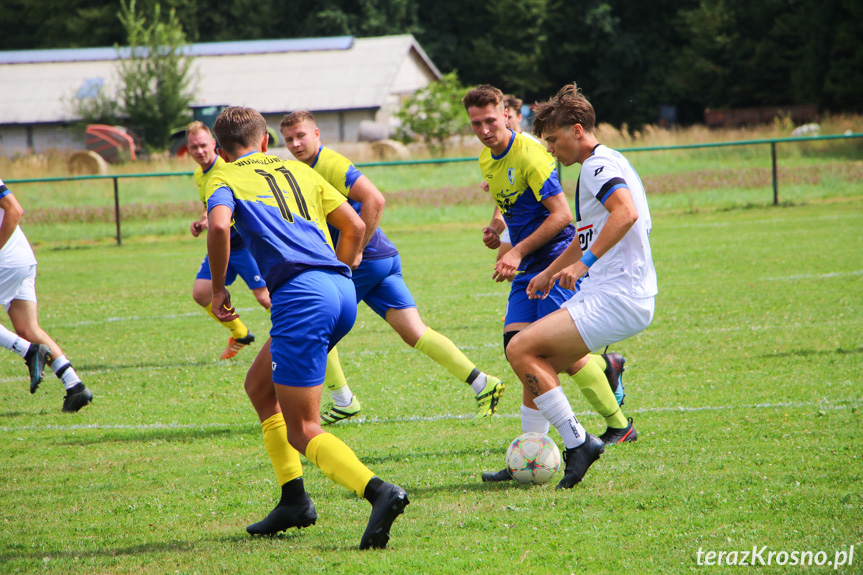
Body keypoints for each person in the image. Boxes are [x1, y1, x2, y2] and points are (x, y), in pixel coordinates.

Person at [205, 106, 408, 549]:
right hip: (340, 290)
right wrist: (343, 266)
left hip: (301, 297)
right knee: (260, 387)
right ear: (264, 141)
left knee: (303, 428)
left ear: (220, 150)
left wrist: (219, 288)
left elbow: (220, 226)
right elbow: (356, 224)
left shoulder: (223, 176)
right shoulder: (299, 169)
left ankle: (378, 491)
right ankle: (293, 500)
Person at [280, 110, 504, 423]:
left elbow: (375, 199)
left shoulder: (330, 163)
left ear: (317, 134)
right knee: (416, 333)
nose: (295, 143)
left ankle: (342, 399)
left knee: (316, 325)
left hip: (367, 261)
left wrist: (356, 250)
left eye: (301, 136)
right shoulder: (302, 169)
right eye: (288, 139)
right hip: (383, 258)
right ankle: (483, 383)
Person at [462, 84, 635, 486]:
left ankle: (611, 425)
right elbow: (510, 203)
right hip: (527, 265)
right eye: (476, 124)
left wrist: (517, 251)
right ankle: (531, 449)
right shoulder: (488, 158)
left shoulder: (533, 154)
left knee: (536, 354)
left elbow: (559, 217)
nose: (485, 130)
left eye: (490, 120)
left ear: (506, 113)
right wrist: (497, 229)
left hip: (555, 260)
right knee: (517, 349)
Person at [0, 178, 92, 412]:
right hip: (20, 257)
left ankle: (29, 351)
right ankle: (75, 386)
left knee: (27, 338)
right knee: (28, 329)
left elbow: (14, 209)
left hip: (6, 258)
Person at [186, 121, 271, 360]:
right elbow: (211, 205)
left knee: (264, 297)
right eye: (194, 147)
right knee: (201, 293)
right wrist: (203, 219)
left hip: (243, 245)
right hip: (222, 246)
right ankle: (241, 333)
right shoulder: (199, 174)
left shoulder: (226, 166)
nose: (199, 151)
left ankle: (301, 331)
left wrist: (212, 221)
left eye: (203, 145)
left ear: (214, 144)